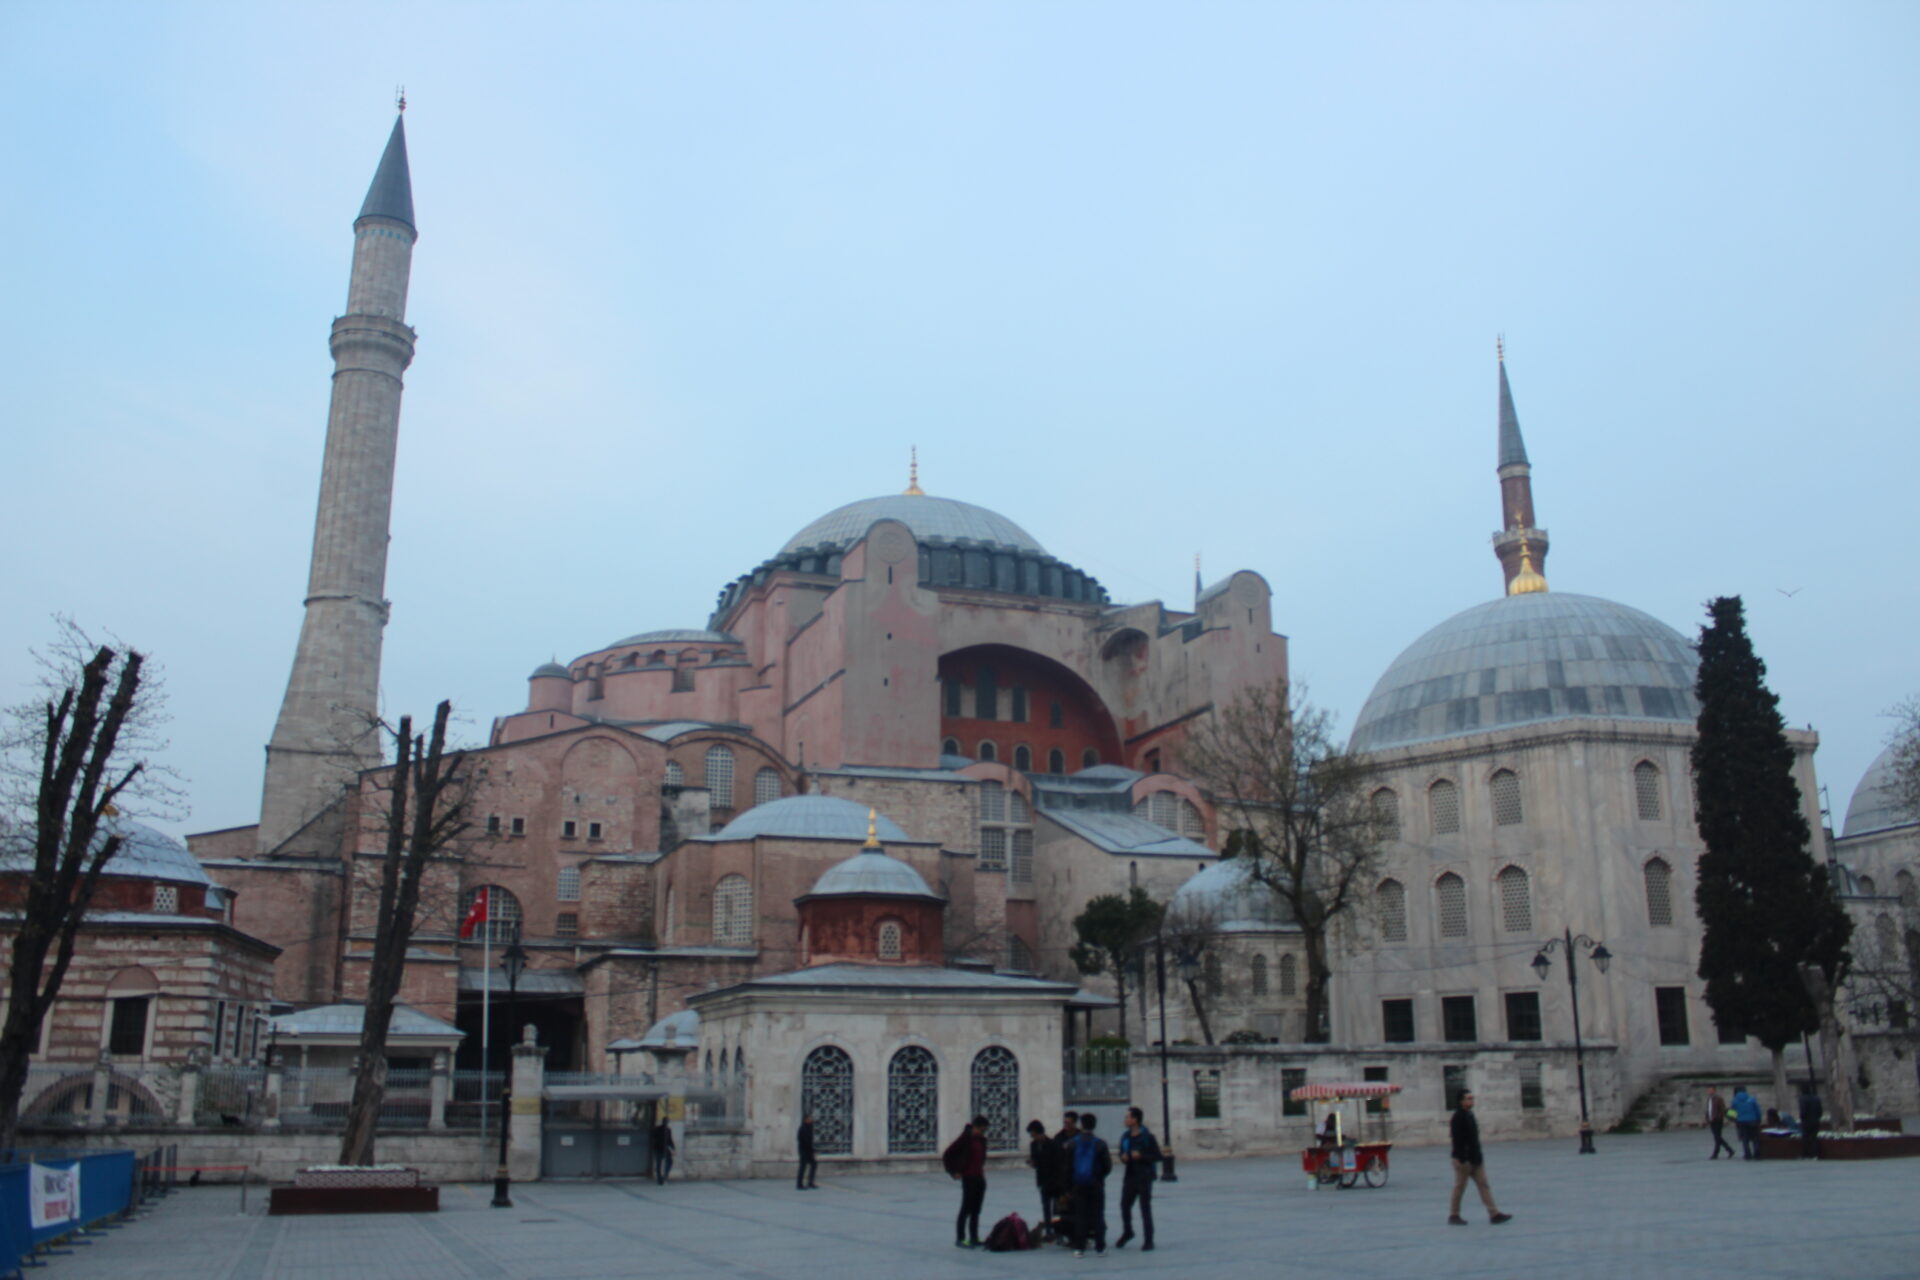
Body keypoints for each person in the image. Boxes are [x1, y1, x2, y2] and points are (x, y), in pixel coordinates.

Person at [1446, 1091, 1512, 1226]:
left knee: (1484, 1185)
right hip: (1463, 1160)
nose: (1471, 1101)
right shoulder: (1458, 1117)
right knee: (1460, 1187)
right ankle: (1454, 1214)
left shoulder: (1470, 1115)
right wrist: (1463, 1158)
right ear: (1461, 1101)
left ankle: (1494, 1214)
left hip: (1475, 1159)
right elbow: (1457, 1139)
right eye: (1468, 1099)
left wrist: (1478, 1156)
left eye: (1472, 1098)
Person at [1067, 1112, 1113, 1258]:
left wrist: (1070, 1184)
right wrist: (1099, 1177)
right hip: (1096, 1184)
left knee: (1080, 1216)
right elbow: (1107, 1166)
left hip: (1079, 1184)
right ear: (1094, 1125)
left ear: (1082, 1124)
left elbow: (1068, 1166)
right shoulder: (1100, 1143)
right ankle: (1100, 1247)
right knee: (1098, 1215)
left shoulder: (1073, 1143)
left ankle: (1079, 1247)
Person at [1116, 1106, 1160, 1252]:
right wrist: (1123, 1157)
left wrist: (1142, 1156)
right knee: (1124, 1205)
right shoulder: (1125, 1136)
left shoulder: (1147, 1137)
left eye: (1128, 1117)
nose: (1125, 1120)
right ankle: (1128, 1231)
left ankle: (1149, 1240)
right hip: (1130, 1175)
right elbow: (1121, 1151)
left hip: (1144, 1176)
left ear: (1135, 1120)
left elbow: (1157, 1156)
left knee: (1145, 1208)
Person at [944, 1115, 990, 1249]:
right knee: (966, 1208)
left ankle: (974, 1237)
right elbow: (948, 1154)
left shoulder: (982, 1140)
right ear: (975, 1127)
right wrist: (954, 1171)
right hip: (969, 1177)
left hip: (979, 1177)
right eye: (982, 1130)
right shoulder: (965, 1139)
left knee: (976, 1210)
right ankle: (961, 1238)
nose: (983, 1133)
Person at [1026, 1119, 1061, 1240]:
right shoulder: (1033, 1145)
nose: (1032, 1136)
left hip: (1055, 1180)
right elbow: (1035, 1161)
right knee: (1045, 1207)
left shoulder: (1052, 1144)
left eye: (1032, 1134)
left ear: (1038, 1132)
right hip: (1042, 1180)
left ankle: (1058, 1230)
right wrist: (1033, 1163)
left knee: (1056, 1208)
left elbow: (1058, 1163)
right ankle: (1049, 1231)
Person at [1731, 1087, 1762, 1160]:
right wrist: (1758, 1119)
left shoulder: (1735, 1100)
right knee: (1755, 1138)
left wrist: (1735, 1119)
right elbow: (1757, 1110)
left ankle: (1748, 1155)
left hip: (1741, 1121)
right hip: (1753, 1120)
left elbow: (1732, 1113)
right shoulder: (1752, 1099)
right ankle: (1757, 1154)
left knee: (1745, 1139)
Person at [1705, 1087, 1735, 1160]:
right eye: (1708, 1090)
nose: (1709, 1092)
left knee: (1717, 1137)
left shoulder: (1719, 1099)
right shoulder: (1709, 1099)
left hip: (1717, 1120)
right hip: (1711, 1120)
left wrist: (1717, 1117)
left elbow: (1723, 1109)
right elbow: (1708, 1109)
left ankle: (1716, 1153)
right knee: (1717, 1137)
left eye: (1711, 1090)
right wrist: (1707, 1118)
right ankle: (1729, 1150)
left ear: (1714, 1091)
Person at [1798, 1087, 1825, 1161]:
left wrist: (1802, 1118)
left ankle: (1806, 1154)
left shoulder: (1803, 1099)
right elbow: (1820, 1111)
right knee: (1814, 1138)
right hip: (1816, 1120)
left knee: (1805, 1138)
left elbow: (1803, 1111)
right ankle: (1815, 1154)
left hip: (1806, 1121)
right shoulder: (1816, 1098)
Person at [652, 1113, 676, 1184]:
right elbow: (654, 1138)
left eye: (667, 1122)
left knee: (669, 1162)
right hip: (659, 1148)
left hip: (664, 1149)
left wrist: (673, 1147)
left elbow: (669, 1140)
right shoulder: (658, 1129)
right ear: (664, 1122)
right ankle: (660, 1178)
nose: (666, 1123)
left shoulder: (668, 1130)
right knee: (659, 1164)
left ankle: (664, 1176)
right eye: (666, 1122)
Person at [796, 1114, 818, 1189]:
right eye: (809, 1119)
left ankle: (810, 1182)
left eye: (811, 1119)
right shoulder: (803, 1128)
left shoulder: (809, 1127)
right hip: (804, 1150)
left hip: (808, 1150)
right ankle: (799, 1184)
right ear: (805, 1119)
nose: (811, 1120)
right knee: (803, 1167)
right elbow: (805, 1141)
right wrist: (811, 1149)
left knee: (814, 1164)